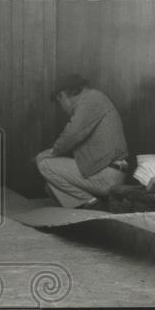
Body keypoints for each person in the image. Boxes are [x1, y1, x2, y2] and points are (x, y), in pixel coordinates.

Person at [34, 74, 129, 209]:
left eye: (59, 102)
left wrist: (51, 152)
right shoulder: (92, 99)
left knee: (44, 164)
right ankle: (89, 205)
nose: (62, 108)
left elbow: (72, 134)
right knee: (51, 187)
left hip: (108, 175)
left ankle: (92, 204)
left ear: (63, 95)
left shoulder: (91, 99)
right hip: (105, 171)